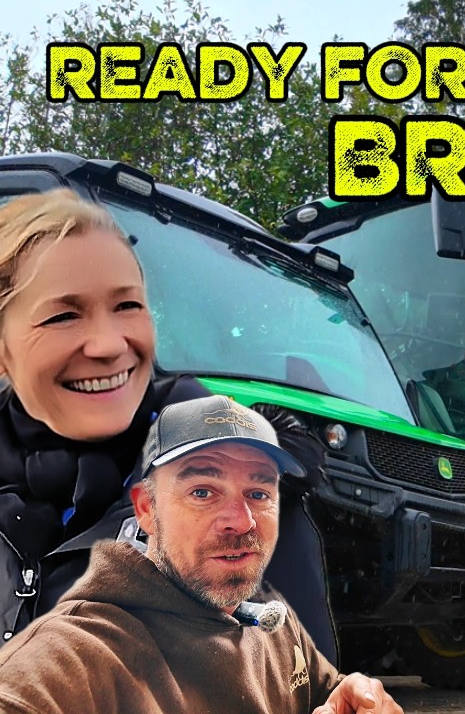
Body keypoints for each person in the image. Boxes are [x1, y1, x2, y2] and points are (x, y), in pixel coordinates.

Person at [0, 189, 337, 660]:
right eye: (63, 315)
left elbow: (304, 680)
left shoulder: (233, 475)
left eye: (127, 306)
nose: (107, 344)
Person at [0, 395, 402, 713]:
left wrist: (353, 696)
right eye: (203, 492)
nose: (241, 522)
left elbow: (326, 692)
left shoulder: (273, 622)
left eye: (258, 493)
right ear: (145, 510)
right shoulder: (77, 659)